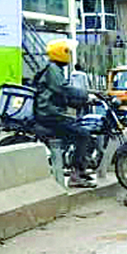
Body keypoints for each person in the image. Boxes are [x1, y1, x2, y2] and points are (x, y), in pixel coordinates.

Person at [33, 40, 95, 188]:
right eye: (67, 51)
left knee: (80, 129)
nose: (68, 55)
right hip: (49, 114)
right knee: (83, 134)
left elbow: (62, 96)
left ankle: (80, 168)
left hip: (52, 112)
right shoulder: (53, 69)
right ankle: (75, 175)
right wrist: (87, 95)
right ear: (60, 52)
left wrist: (82, 102)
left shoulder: (55, 69)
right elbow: (64, 89)